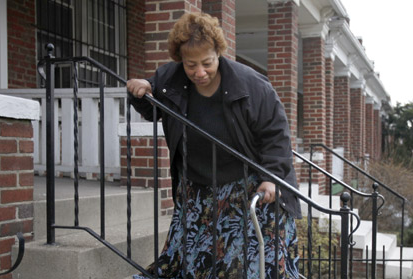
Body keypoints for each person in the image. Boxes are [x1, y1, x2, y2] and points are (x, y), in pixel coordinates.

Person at [127, 12, 301, 279]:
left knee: (245, 267)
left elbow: (276, 135)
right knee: (190, 265)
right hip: (198, 191)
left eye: (207, 63)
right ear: (180, 60)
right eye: (190, 64)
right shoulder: (169, 78)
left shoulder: (251, 85)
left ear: (218, 52)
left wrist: (272, 178)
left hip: (245, 187)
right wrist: (142, 91)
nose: (199, 72)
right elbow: (153, 109)